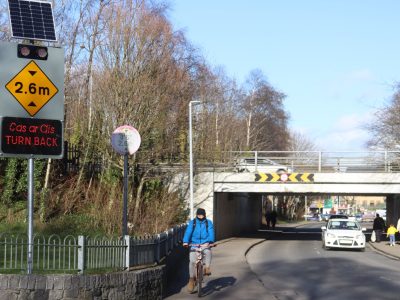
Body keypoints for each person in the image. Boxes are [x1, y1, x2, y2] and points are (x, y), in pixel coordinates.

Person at [183, 208, 215, 293]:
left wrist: (211, 242)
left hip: (205, 243)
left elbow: (211, 232)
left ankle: (207, 268)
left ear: (204, 215)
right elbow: (188, 232)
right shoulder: (192, 223)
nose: (200, 216)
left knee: (208, 252)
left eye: (202, 215)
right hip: (194, 244)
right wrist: (186, 242)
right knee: (192, 261)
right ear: (196, 215)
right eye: (199, 215)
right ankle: (191, 279)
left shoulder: (208, 223)